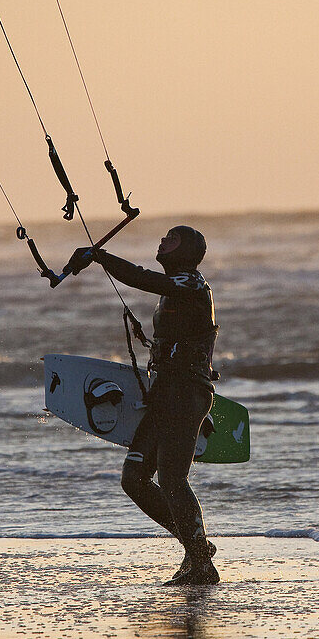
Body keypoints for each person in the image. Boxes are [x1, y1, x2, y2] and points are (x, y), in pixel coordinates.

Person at [67, 226, 220, 585]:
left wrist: (99, 256)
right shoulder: (172, 290)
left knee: (171, 477)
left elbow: (142, 278)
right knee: (133, 478)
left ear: (186, 252)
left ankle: (200, 562)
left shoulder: (192, 284)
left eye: (172, 238)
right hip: (164, 394)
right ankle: (195, 547)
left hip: (187, 393)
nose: (163, 241)